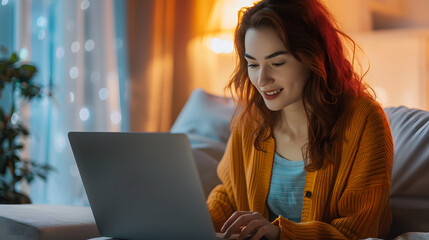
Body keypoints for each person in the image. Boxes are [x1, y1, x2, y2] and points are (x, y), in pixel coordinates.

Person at [206, 0, 393, 239]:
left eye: (277, 63)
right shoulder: (252, 120)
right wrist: (192, 222)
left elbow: (360, 230)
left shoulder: (364, 120)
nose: (262, 79)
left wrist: (280, 234)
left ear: (313, 57)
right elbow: (230, 197)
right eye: (253, 64)